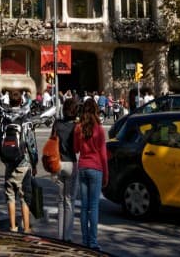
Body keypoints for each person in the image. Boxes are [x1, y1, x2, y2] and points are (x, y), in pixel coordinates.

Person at [74, 97, 108, 251]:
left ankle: (85, 240)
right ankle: (93, 242)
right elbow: (103, 154)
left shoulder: (78, 128)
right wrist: (106, 174)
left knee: (84, 207)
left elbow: (75, 149)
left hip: (82, 167)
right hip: (96, 168)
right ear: (96, 110)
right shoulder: (99, 129)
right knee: (93, 207)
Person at [3, 100, 32, 233]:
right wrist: (35, 162)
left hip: (9, 164)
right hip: (24, 164)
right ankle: (26, 228)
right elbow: (31, 143)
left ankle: (13, 227)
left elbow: (0, 141)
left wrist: (5, 160)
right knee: (24, 197)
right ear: (21, 102)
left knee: (10, 197)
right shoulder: (24, 120)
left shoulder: (5, 119)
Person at [53, 96, 79, 242]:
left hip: (58, 162)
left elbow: (52, 141)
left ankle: (59, 235)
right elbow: (77, 147)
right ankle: (67, 237)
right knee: (69, 201)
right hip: (70, 163)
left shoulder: (57, 124)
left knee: (60, 201)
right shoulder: (76, 126)